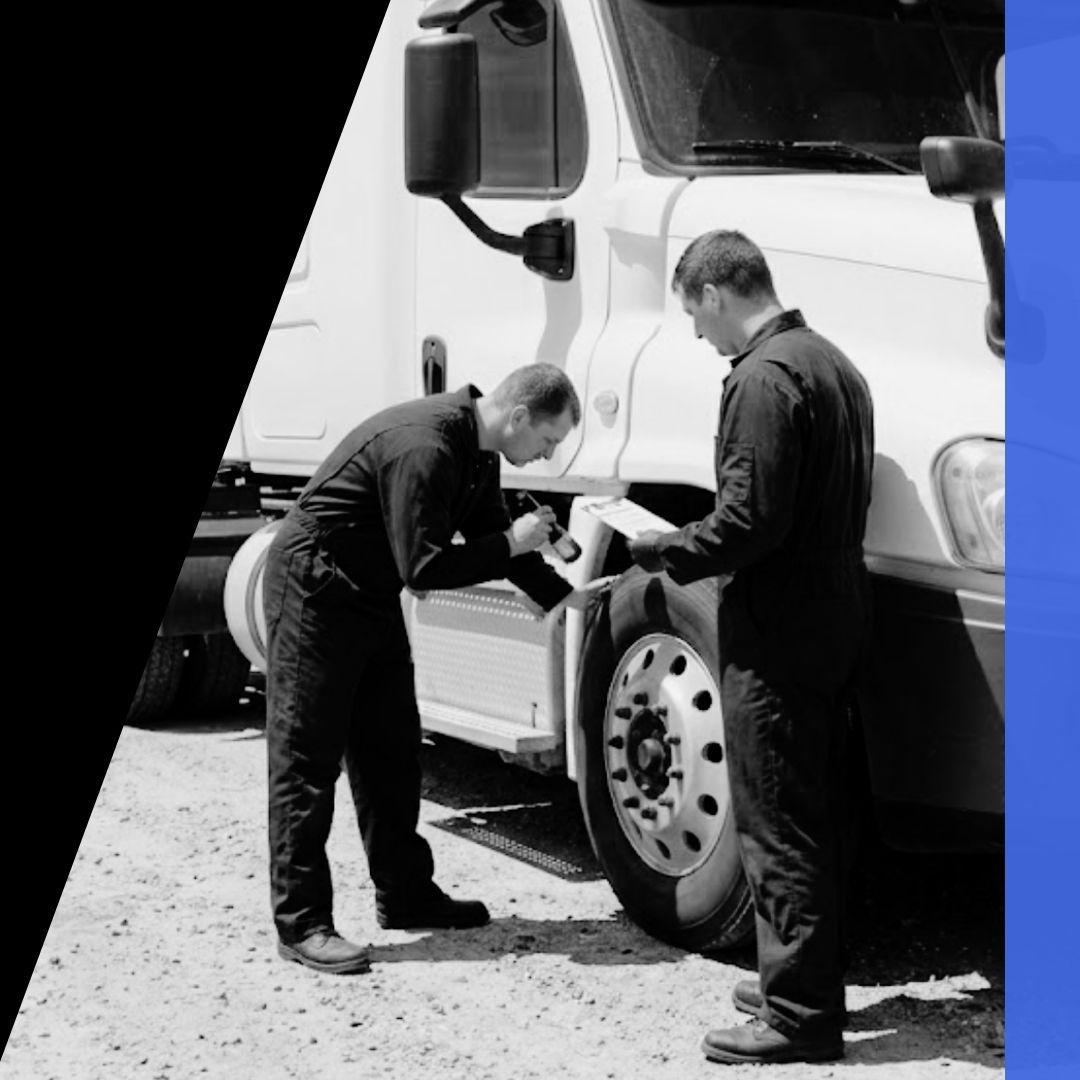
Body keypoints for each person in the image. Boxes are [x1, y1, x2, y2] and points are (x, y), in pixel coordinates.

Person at [627, 230, 874, 1064]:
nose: (698, 334)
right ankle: (804, 971)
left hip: (778, 622)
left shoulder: (763, 379)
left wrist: (669, 550)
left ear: (716, 292)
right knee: (822, 805)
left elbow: (750, 520)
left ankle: (799, 1016)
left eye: (694, 312)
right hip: (838, 607)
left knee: (774, 815)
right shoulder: (835, 363)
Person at [264, 363, 587, 975]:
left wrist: (571, 600)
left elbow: (494, 540)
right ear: (518, 416)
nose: (547, 456)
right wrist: (512, 544)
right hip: (314, 588)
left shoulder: (481, 453)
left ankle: (405, 893)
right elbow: (427, 569)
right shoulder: (427, 444)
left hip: (369, 592)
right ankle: (301, 922)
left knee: (391, 748)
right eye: (548, 440)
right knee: (307, 760)